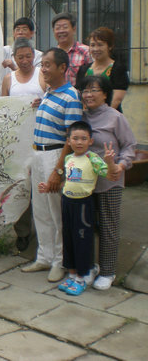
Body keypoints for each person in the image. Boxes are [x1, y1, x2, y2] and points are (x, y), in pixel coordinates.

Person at [21, 48, 83, 282]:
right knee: (41, 211)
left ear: (62, 68)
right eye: (42, 64)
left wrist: (58, 170)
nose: (43, 69)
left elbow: (72, 137)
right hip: (38, 155)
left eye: (48, 65)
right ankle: (44, 257)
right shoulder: (48, 93)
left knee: (57, 214)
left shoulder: (70, 96)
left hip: (55, 156)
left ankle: (60, 261)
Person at [39, 121, 114, 296]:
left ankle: (83, 276)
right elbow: (70, 181)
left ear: (90, 141)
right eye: (75, 138)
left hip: (83, 205)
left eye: (83, 139)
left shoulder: (93, 158)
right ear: (69, 141)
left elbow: (110, 175)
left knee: (82, 240)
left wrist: (110, 162)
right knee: (69, 239)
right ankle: (72, 275)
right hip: (67, 203)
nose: (79, 142)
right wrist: (49, 187)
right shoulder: (68, 159)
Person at [80, 75, 136, 290]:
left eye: (94, 90)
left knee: (108, 227)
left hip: (110, 181)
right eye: (85, 90)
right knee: (85, 227)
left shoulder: (115, 117)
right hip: (85, 183)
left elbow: (129, 145)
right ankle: (89, 266)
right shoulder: (82, 117)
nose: (89, 94)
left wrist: (121, 166)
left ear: (105, 93)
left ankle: (108, 270)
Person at [1, 37, 46, 252]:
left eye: (29, 56)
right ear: (14, 58)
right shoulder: (9, 80)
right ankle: (23, 232)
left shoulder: (42, 75)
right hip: (18, 141)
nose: (25, 60)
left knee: (41, 186)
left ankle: (45, 233)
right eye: (21, 57)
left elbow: (53, 97)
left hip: (42, 138)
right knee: (20, 186)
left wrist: (42, 102)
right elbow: (2, 107)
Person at [76, 27, 129, 113]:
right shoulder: (83, 69)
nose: (96, 49)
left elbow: (116, 99)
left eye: (100, 45)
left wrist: (102, 117)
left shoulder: (118, 69)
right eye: (92, 45)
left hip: (110, 118)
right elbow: (79, 95)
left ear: (110, 46)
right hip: (87, 117)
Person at [51, 12, 91, 86]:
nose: (61, 31)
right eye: (58, 28)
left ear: (74, 29)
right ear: (53, 31)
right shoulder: (51, 55)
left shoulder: (86, 52)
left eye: (65, 27)